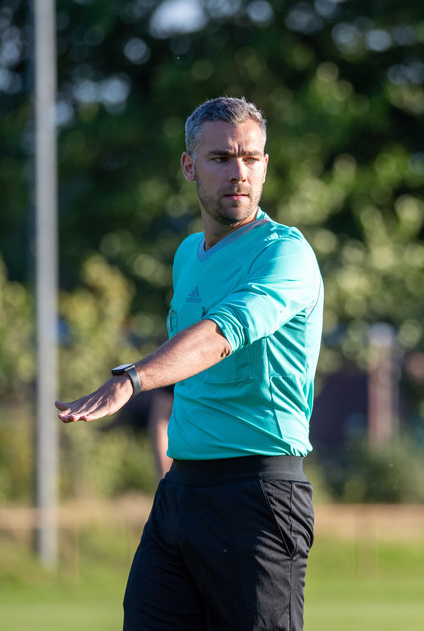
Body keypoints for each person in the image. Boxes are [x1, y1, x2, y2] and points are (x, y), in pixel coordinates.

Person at [56, 96, 324, 630]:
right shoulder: (186, 255)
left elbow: (224, 333)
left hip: (258, 496)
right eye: (221, 158)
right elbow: (188, 376)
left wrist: (132, 378)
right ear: (189, 166)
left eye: (251, 158)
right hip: (181, 494)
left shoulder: (284, 252)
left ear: (266, 165)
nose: (238, 172)